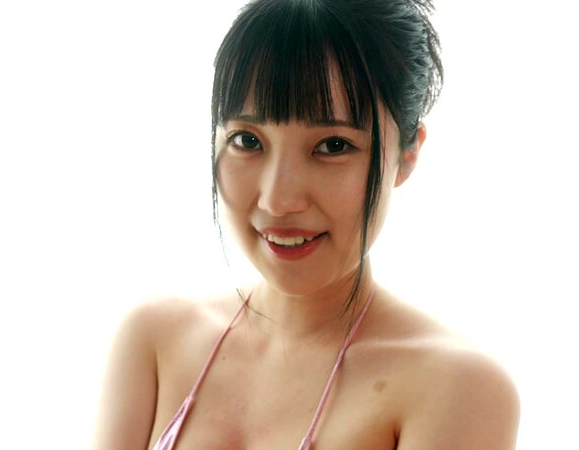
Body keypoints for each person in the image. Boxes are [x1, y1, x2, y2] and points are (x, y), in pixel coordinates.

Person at [92, 0, 520, 448]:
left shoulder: (456, 388)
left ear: (407, 154)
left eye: (333, 146)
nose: (278, 201)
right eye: (247, 140)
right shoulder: (153, 342)